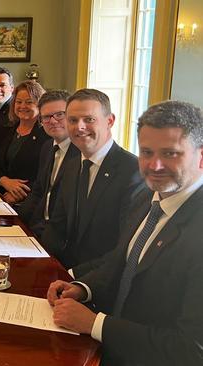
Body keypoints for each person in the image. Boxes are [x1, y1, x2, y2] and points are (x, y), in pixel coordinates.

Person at [47, 100, 203, 366]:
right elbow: (121, 263)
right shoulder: (149, 199)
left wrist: (96, 324)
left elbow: (191, 350)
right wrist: (82, 289)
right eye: (146, 152)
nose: (154, 166)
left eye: (170, 153)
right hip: (105, 349)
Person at [42, 89, 143, 277]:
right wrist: (40, 260)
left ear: (110, 121)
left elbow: (124, 250)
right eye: (72, 120)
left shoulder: (133, 172)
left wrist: (72, 275)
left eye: (89, 119)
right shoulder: (72, 166)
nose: (79, 127)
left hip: (100, 280)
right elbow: (57, 226)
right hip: (64, 270)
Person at [17, 90, 80, 237]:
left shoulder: (81, 153)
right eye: (46, 117)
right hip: (37, 226)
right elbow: (38, 191)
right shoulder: (47, 147)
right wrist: (17, 220)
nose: (52, 121)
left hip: (60, 236)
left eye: (59, 115)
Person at [0, 80, 51, 204]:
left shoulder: (47, 136)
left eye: (29, 102)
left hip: (26, 202)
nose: (22, 106)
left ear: (40, 105)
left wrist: (19, 193)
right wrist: (4, 180)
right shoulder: (4, 128)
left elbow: (45, 177)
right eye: (18, 102)